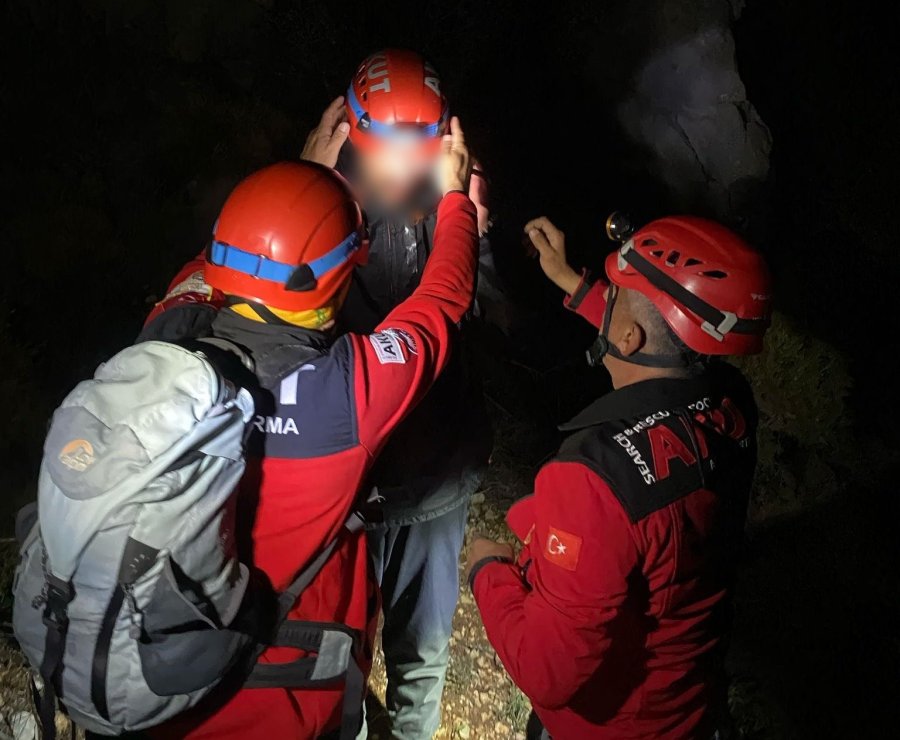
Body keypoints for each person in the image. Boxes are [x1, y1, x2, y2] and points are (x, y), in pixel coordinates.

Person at [146, 120, 478, 740]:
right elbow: (443, 300)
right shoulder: (345, 396)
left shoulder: (162, 347)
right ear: (335, 283)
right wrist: (457, 201)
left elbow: (202, 273)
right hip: (291, 694)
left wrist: (294, 186)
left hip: (167, 686)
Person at [466, 213, 772, 740]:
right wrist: (570, 280)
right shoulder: (730, 404)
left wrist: (487, 569)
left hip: (612, 725)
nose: (604, 298)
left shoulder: (592, 478)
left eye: (615, 294)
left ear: (627, 337)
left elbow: (548, 671)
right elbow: (651, 334)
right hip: (688, 709)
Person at [296, 49, 501, 739]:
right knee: (336, 642)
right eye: (382, 148)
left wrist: (475, 226)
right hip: (344, 479)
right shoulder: (315, 201)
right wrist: (302, 188)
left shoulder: (462, 202)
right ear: (351, 134)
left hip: (435, 473)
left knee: (422, 644)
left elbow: (500, 316)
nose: (399, 168)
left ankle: (412, 731)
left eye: (419, 149)